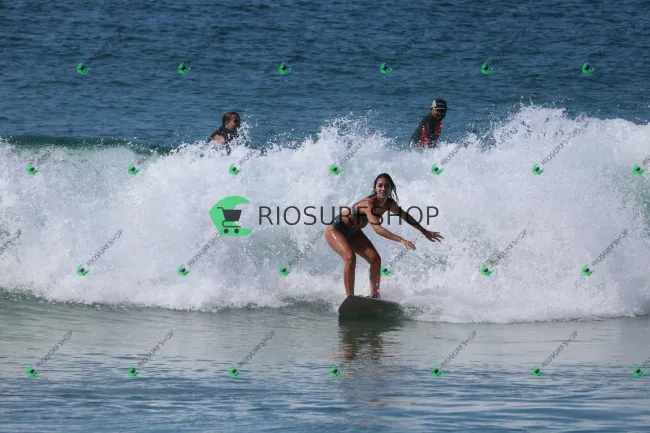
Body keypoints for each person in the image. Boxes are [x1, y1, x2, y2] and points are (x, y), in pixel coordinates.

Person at [325, 173, 444, 298]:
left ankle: (374, 296)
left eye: (387, 186)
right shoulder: (368, 204)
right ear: (375, 188)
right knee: (350, 257)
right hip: (336, 229)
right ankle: (350, 298)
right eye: (380, 185)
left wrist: (425, 231)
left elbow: (406, 216)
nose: (383, 188)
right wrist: (400, 239)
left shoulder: (389, 204)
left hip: (354, 232)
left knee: (375, 259)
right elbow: (377, 229)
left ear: (391, 188)